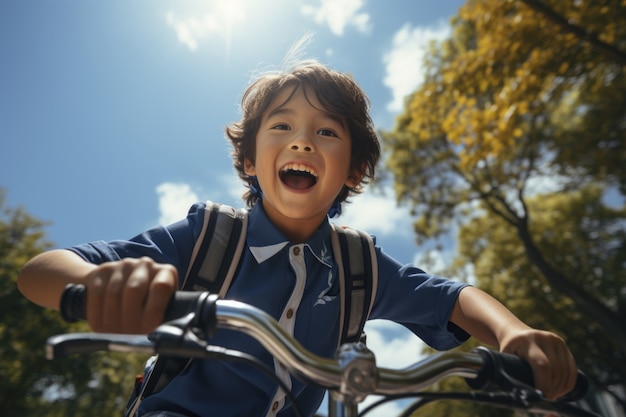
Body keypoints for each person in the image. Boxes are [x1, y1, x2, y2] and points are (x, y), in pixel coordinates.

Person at [17, 61, 577, 417]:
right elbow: (41, 270)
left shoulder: (359, 266)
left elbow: (451, 298)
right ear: (248, 159)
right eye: (281, 126)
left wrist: (514, 333)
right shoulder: (207, 237)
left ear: (354, 171)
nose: (302, 142)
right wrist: (96, 284)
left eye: (326, 132)